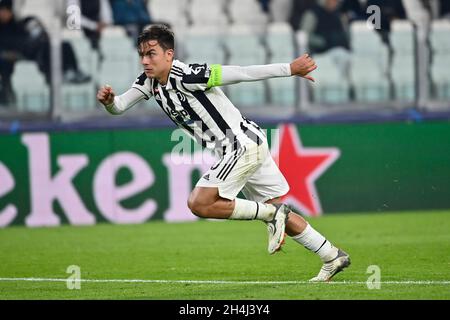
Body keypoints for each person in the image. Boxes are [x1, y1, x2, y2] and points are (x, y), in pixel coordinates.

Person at [96, 25, 351, 282]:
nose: (145, 60)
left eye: (151, 54)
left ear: (169, 54)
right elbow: (120, 106)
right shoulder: (148, 82)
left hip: (241, 145)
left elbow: (240, 72)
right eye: (142, 54)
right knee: (273, 208)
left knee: (200, 203)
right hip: (246, 145)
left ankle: (273, 215)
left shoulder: (188, 75)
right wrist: (109, 102)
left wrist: (289, 69)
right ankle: (332, 255)